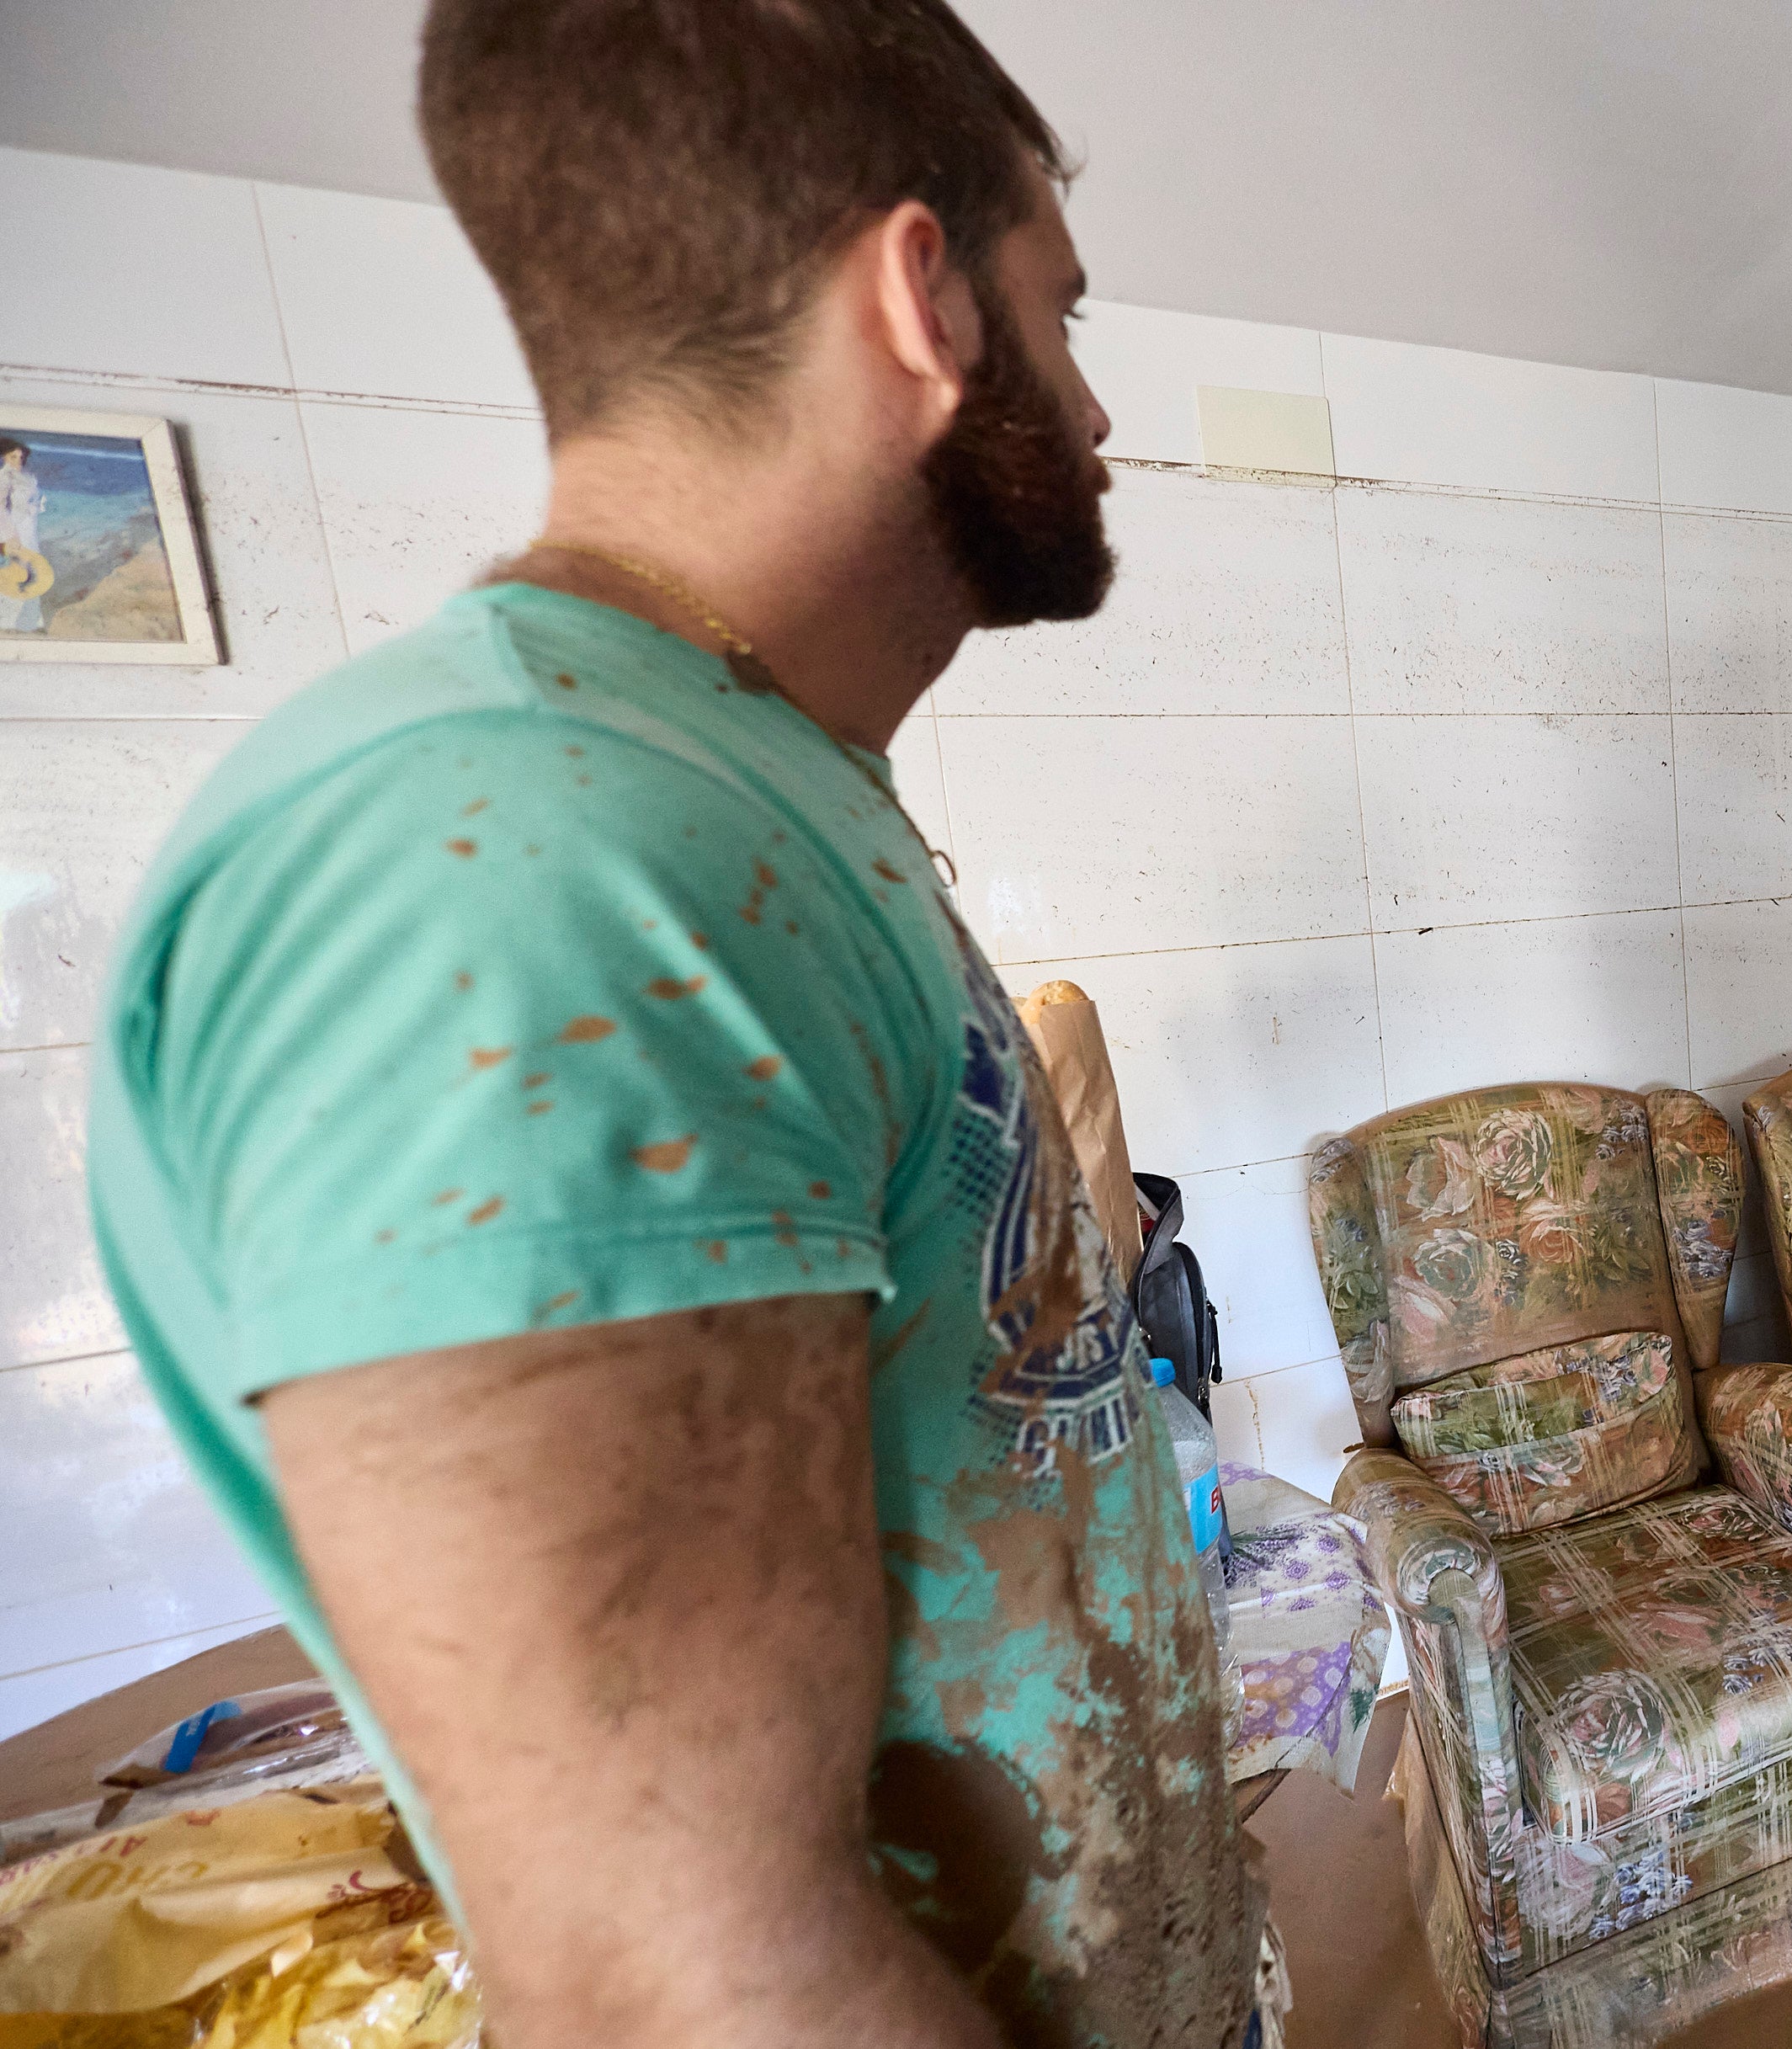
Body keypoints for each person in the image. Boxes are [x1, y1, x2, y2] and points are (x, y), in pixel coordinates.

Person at [88, 4, 1257, 2044]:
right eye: (1061, 313)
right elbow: (684, 1977)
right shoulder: (526, 860)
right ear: (924, 299)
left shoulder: (731, 776)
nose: (1091, 407)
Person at [0, 439, 45, 632]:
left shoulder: (28, 477)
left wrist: (35, 507)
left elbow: (36, 500)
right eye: (13, 456)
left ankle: (31, 620)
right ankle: (9, 621)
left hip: (29, 528)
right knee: (17, 571)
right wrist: (10, 536)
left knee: (33, 568)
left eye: (21, 456)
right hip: (14, 530)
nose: (18, 460)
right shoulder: (3, 478)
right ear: (3, 457)